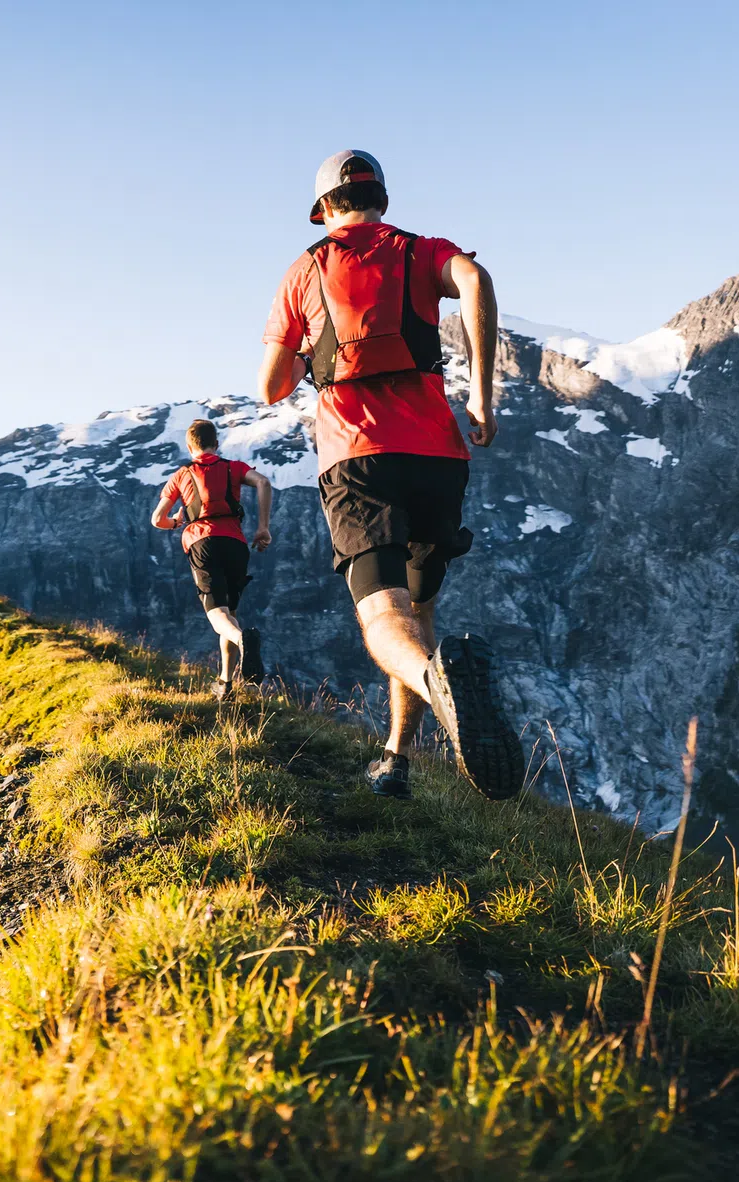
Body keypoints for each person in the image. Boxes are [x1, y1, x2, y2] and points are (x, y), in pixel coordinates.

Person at [256, 149, 524, 800]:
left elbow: (271, 387)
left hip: (357, 457)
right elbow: (478, 283)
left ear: (324, 210)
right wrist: (483, 397)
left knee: (383, 617)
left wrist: (310, 350)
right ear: (381, 198)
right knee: (419, 612)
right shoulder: (421, 250)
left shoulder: (304, 270)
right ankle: (394, 760)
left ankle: (438, 686)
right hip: (438, 453)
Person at [151, 418, 274, 700]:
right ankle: (225, 683)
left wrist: (176, 521)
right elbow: (264, 483)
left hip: (201, 542)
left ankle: (243, 640)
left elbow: (157, 519)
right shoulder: (234, 467)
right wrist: (263, 527)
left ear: (189, 446)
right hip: (235, 543)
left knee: (218, 615)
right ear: (216, 445)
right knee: (230, 614)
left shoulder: (182, 474)